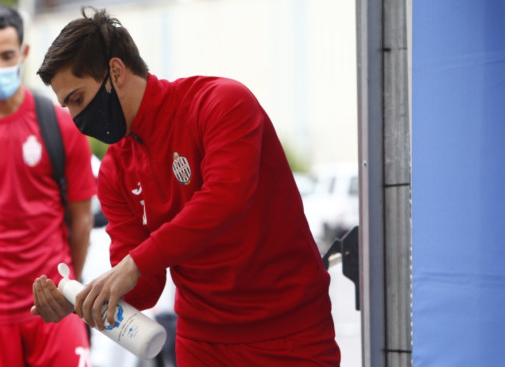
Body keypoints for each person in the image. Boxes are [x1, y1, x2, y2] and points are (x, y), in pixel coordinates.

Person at [31, 7, 341, 366]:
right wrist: (84, 300)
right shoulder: (115, 169)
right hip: (201, 340)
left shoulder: (221, 102)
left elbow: (226, 199)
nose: (75, 118)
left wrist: (134, 264)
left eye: (78, 99)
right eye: (67, 105)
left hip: (289, 333)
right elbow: (145, 287)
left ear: (115, 71)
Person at [0, 4, 96, 366]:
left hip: (56, 305)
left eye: (7, 55)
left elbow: (81, 221)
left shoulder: (61, 124)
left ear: (24, 53)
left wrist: (68, 290)